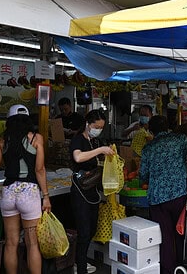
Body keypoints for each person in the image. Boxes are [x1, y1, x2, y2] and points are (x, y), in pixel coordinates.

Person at [0, 105, 51, 274]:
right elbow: (40, 169)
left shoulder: (2, 141)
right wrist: (46, 196)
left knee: (11, 243)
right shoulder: (36, 139)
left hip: (8, 193)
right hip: (29, 194)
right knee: (32, 244)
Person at [139, 115, 187, 274]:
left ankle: (167, 270)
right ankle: (183, 267)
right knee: (181, 231)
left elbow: (143, 175)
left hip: (158, 198)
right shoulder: (180, 140)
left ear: (151, 131)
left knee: (164, 237)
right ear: (167, 127)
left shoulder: (148, 148)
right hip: (179, 194)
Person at [70, 109, 114, 274]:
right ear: (88, 124)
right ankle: (80, 268)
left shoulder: (94, 141)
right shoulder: (78, 140)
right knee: (84, 231)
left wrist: (104, 154)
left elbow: (93, 159)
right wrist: (100, 150)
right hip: (80, 190)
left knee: (92, 229)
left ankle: (79, 260)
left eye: (101, 127)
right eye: (96, 126)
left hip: (92, 190)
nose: (98, 130)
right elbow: (78, 158)